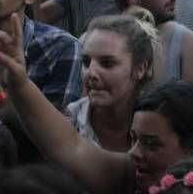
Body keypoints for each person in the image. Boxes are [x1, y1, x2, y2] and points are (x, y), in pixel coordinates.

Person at [0, 13, 193, 194]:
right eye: (86, 61)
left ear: (192, 149)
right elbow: (72, 147)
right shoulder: (128, 171)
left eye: (151, 144)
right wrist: (18, 82)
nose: (134, 152)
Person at [66, 15, 157, 152]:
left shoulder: (161, 126)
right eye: (86, 62)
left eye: (107, 63)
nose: (91, 73)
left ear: (140, 69)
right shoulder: (67, 123)